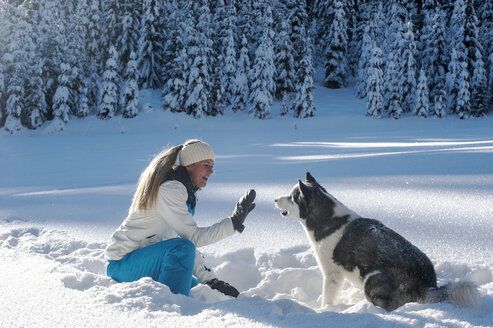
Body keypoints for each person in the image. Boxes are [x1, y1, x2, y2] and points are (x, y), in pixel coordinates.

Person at [105, 139, 256, 297]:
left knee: (200, 291)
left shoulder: (184, 192)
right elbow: (192, 239)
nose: (211, 171)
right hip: (123, 263)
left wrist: (211, 281)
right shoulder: (170, 189)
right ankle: (173, 312)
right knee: (182, 251)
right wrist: (233, 223)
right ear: (190, 165)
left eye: (212, 166)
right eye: (206, 165)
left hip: (149, 259)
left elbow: (186, 241)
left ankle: (182, 302)